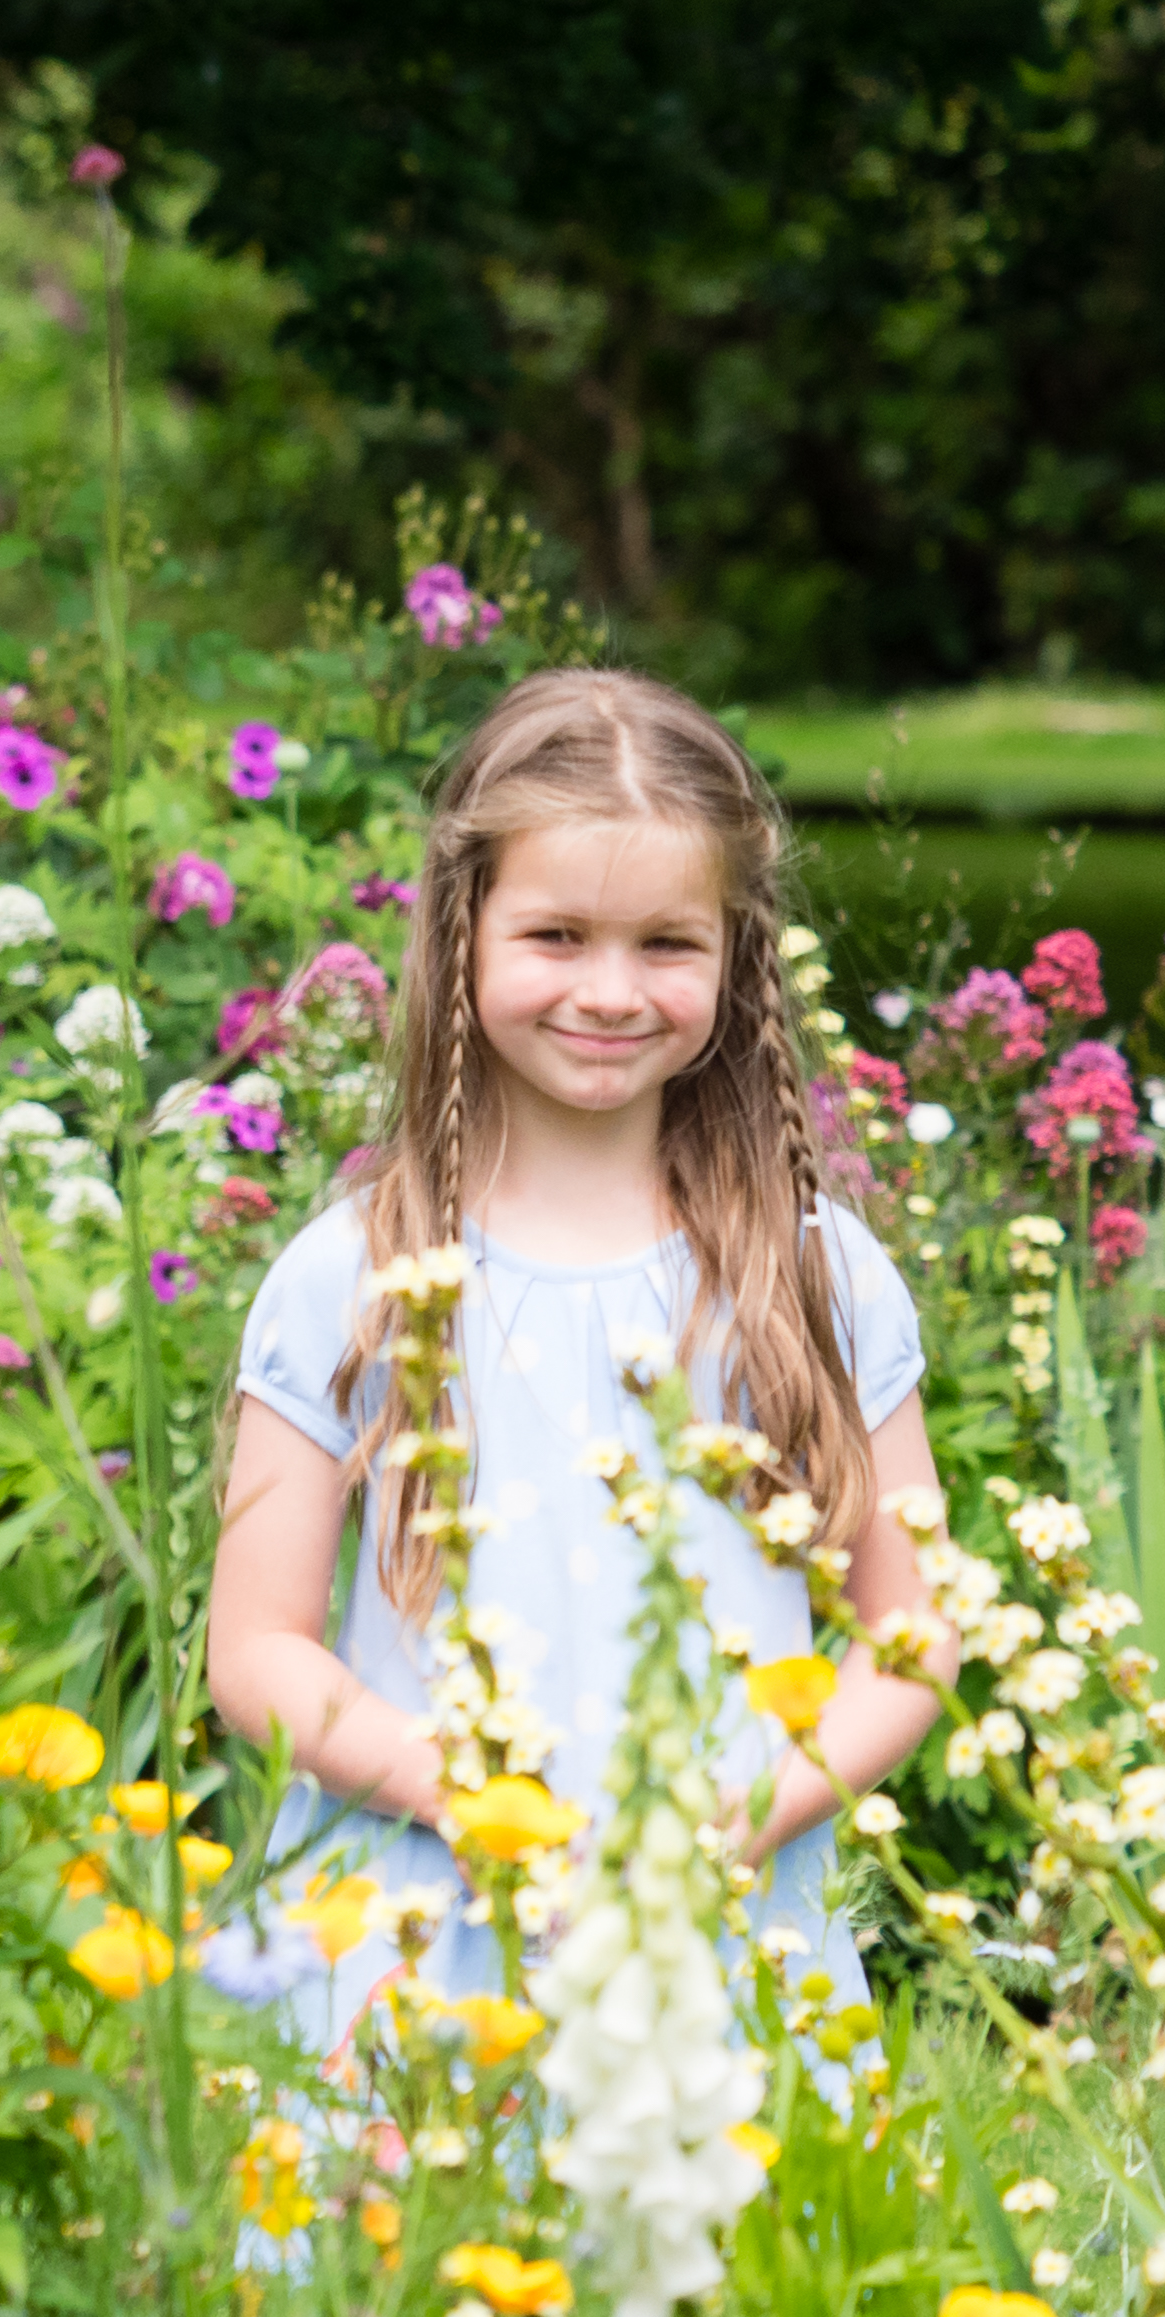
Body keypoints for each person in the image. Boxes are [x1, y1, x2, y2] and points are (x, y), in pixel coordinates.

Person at [204, 666, 953, 2038]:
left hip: (726, 1955)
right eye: (556, 934)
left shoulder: (814, 1275)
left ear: (737, 957)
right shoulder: (352, 1281)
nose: (611, 991)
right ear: (464, 930)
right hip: (416, 1952)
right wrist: (460, 1793)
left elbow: (911, 1632)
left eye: (668, 944)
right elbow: (254, 1648)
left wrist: (744, 1821)